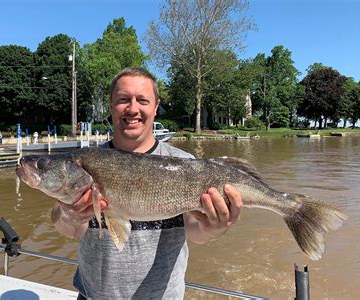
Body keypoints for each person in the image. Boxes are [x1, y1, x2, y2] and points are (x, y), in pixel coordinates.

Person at [51, 67, 243, 299]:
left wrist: (215, 227)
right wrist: (70, 214)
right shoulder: (85, 163)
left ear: (155, 106)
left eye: (142, 100)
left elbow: (195, 232)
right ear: (111, 105)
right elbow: (68, 229)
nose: (133, 109)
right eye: (123, 100)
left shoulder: (185, 163)